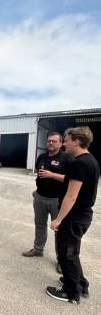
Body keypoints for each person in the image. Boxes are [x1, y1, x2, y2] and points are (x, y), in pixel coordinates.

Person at [46, 127, 99, 305]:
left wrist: (58, 219)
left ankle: (71, 293)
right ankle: (80, 284)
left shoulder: (80, 163)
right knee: (72, 253)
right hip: (82, 215)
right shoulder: (89, 160)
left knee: (66, 254)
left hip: (74, 216)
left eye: (67, 140)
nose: (64, 144)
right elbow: (69, 180)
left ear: (76, 141)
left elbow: (71, 195)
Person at [22, 132, 72, 272]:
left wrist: (52, 175)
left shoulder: (67, 158)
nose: (50, 143)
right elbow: (39, 174)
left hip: (57, 200)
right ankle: (38, 249)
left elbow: (70, 179)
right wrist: (37, 190)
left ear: (61, 143)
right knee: (39, 225)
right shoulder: (42, 157)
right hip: (40, 198)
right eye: (49, 140)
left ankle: (61, 260)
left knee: (59, 230)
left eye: (54, 141)